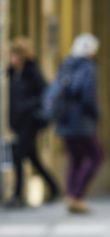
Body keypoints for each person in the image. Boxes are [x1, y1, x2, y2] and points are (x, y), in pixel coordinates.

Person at [6, 37, 59, 208]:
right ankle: (54, 187)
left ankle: (17, 196)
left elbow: (45, 93)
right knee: (33, 159)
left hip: (30, 121)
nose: (12, 59)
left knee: (18, 155)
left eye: (15, 55)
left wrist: (27, 106)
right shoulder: (12, 73)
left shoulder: (32, 72)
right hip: (18, 122)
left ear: (22, 56)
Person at [55, 33, 103, 214]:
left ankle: (70, 195)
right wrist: (96, 115)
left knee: (75, 159)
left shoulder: (66, 64)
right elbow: (88, 96)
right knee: (96, 156)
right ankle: (77, 195)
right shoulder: (88, 67)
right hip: (81, 122)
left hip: (65, 121)